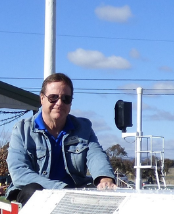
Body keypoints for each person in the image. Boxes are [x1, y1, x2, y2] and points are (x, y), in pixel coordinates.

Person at [7, 72, 116, 204]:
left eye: (66, 99)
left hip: (73, 193)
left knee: (104, 196)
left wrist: (104, 178)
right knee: (34, 191)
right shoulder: (22, 130)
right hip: (39, 196)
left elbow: (95, 155)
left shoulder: (83, 128)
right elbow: (19, 173)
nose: (59, 103)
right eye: (53, 97)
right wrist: (60, 189)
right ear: (42, 98)